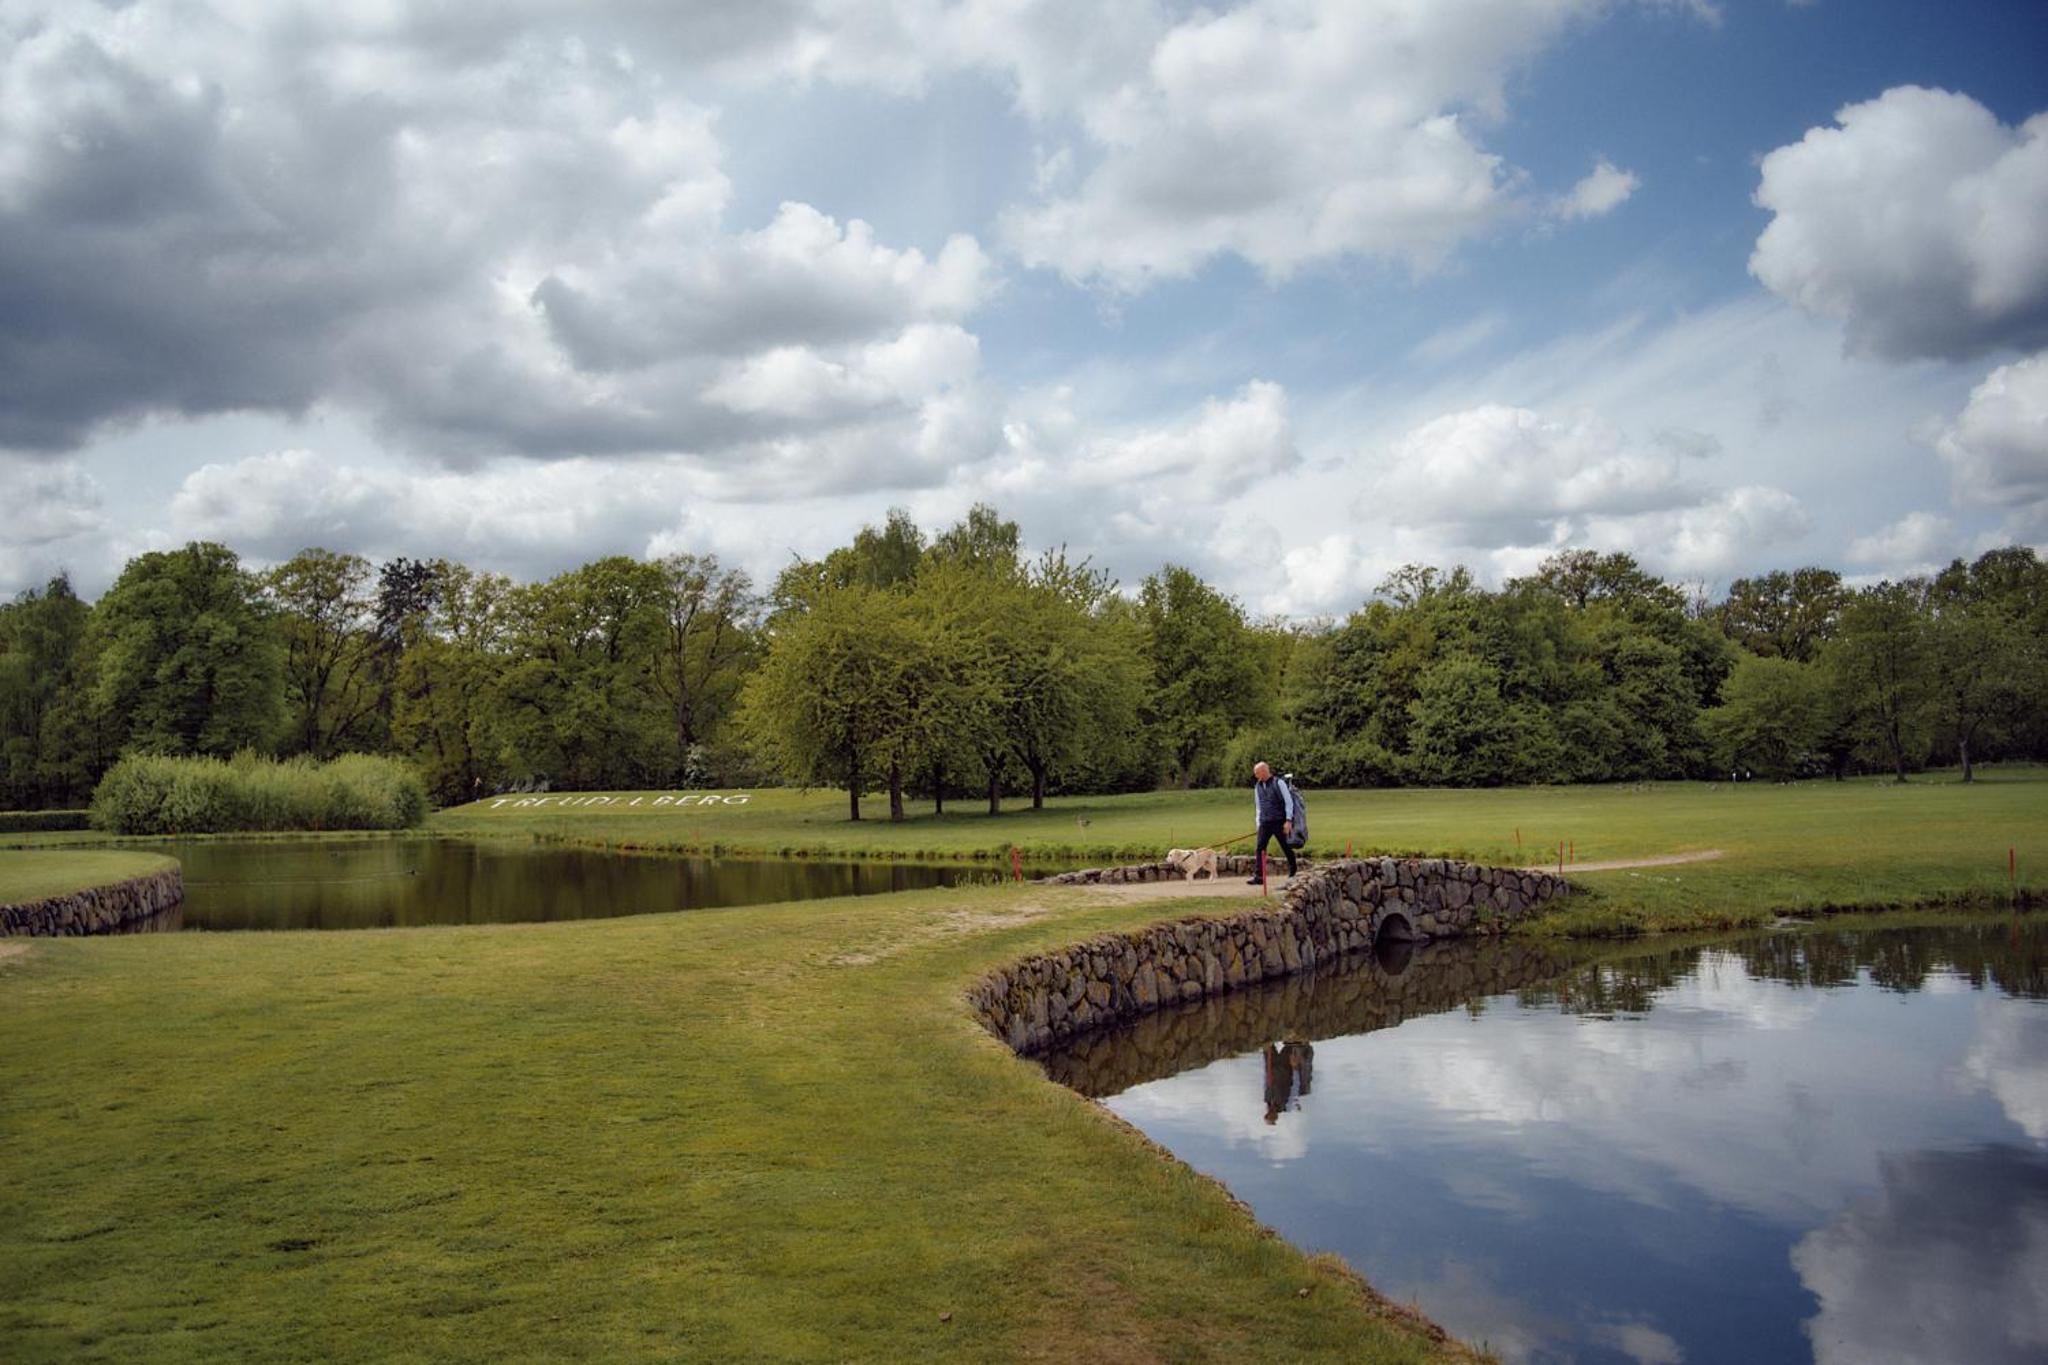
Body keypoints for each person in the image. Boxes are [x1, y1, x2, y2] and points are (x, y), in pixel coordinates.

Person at [1248, 760, 1298, 886]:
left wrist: (1288, 820)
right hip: (1265, 822)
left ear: (1264, 771)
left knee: (1285, 846)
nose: (1255, 775)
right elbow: (1258, 806)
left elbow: (1288, 802)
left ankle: (1293, 870)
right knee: (1260, 848)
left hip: (1279, 821)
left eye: (1257, 773)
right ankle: (1259, 876)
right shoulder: (1257, 786)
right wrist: (1258, 824)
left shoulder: (1278, 783)